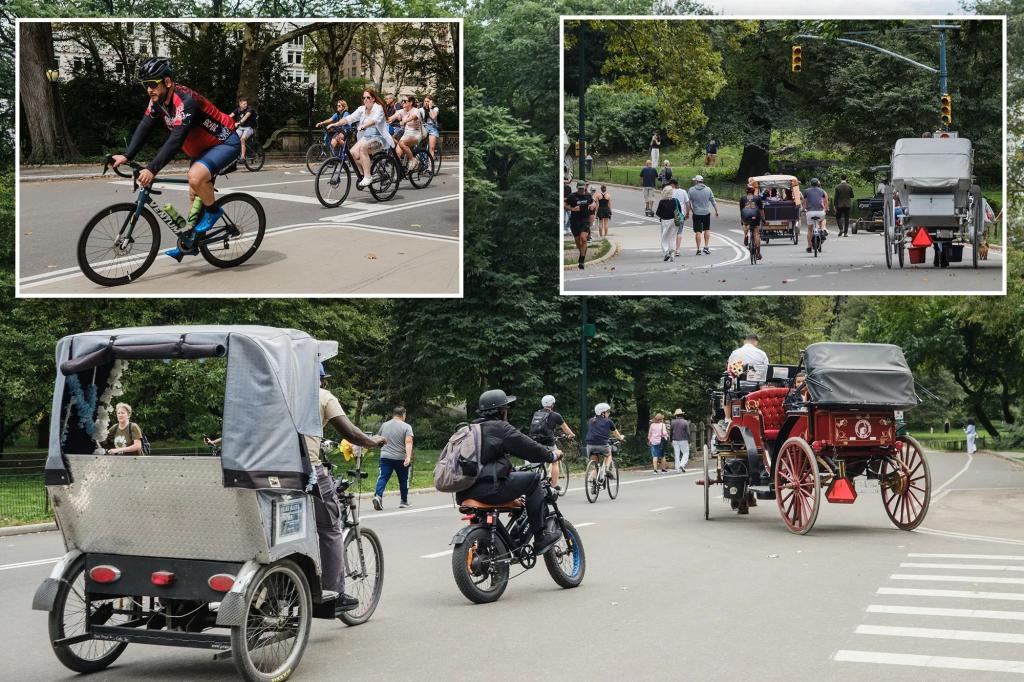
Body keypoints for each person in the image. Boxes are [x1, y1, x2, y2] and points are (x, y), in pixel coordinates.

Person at [112, 57, 241, 262]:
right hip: (203, 150)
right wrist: (127, 155)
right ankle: (192, 243)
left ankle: (214, 212)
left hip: (225, 143)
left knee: (195, 178)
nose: (149, 89)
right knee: (194, 195)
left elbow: (176, 139)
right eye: (145, 85)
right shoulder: (158, 101)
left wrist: (152, 169)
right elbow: (145, 125)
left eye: (152, 84)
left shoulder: (186, 101)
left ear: (167, 81)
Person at [308, 363, 387, 616]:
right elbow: (350, 432)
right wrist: (372, 442)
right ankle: (333, 593)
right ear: (321, 380)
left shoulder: (278, 393)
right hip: (306, 471)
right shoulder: (323, 396)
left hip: (268, 471)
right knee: (330, 529)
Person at [455, 389, 564, 555]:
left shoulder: (469, 430)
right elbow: (528, 448)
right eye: (506, 408)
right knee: (534, 479)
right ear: (501, 411)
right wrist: (551, 455)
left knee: (515, 487)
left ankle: (499, 543)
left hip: (464, 491)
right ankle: (540, 538)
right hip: (490, 489)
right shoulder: (500, 428)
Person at [339, 88, 394, 188]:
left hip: (379, 138)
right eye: (364, 97)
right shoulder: (361, 109)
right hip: (366, 137)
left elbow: (374, 120)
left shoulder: (378, 108)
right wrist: (334, 124)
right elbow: (350, 118)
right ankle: (363, 174)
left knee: (363, 148)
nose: (365, 99)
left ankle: (368, 176)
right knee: (352, 153)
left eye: (368, 97)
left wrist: (363, 126)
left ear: (373, 98)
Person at [527, 395, 576, 490]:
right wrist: (571, 434)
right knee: (555, 461)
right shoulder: (556, 415)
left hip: (534, 441)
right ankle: (554, 484)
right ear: (552, 404)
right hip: (548, 443)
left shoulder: (536, 413)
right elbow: (565, 428)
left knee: (539, 458)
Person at [372, 406, 414, 510]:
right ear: (403, 414)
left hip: (385, 457)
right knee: (403, 480)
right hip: (401, 458)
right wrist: (408, 457)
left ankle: (378, 496)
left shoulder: (384, 425)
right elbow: (408, 442)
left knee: (383, 477)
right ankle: (403, 501)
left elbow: (378, 438)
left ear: (394, 414)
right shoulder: (407, 427)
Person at [725, 334, 770, 420]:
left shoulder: (735, 353)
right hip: (756, 388)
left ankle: (727, 419)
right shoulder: (762, 354)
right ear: (756, 342)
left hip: (738, 388)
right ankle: (761, 417)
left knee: (726, 392)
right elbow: (766, 372)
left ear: (745, 341)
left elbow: (729, 371)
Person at [586, 403, 623, 484]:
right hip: (602, 445)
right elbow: (616, 434)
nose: (609, 413)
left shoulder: (591, 421)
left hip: (590, 446)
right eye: (608, 412)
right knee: (609, 454)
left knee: (595, 465)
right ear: (602, 413)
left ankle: (594, 482)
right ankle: (606, 469)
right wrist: (621, 438)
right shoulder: (608, 421)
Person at [387, 95, 424, 170]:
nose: (402, 103)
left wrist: (405, 121)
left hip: (416, 133)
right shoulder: (401, 111)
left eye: (405, 101)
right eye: (402, 101)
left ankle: (413, 160)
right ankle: (400, 172)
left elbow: (413, 117)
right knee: (397, 154)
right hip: (406, 134)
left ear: (411, 102)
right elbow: (391, 118)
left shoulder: (416, 110)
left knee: (402, 143)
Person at [686, 174, 718, 256]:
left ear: (697, 181)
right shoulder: (708, 189)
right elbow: (713, 201)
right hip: (706, 213)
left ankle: (698, 249)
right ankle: (706, 247)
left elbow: (688, 202)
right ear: (702, 181)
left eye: (694, 181)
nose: (694, 182)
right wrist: (716, 211)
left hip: (696, 213)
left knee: (698, 231)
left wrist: (690, 210)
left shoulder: (691, 190)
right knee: (707, 229)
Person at [565, 181, 594, 269]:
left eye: (583, 188)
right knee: (578, 241)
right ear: (577, 188)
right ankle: (583, 252)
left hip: (585, 220)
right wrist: (572, 209)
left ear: (585, 187)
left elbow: (593, 202)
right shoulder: (572, 196)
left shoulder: (588, 196)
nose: (581, 190)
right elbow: (565, 205)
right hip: (575, 221)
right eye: (580, 188)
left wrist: (592, 206)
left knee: (583, 238)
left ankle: (581, 260)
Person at [802, 177, 829, 253]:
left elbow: (804, 202)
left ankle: (809, 246)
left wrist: (803, 209)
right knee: (822, 220)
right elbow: (826, 201)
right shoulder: (822, 191)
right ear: (818, 184)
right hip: (820, 212)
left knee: (810, 229)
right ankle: (822, 230)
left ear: (811, 184)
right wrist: (826, 208)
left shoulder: (806, 191)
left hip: (810, 212)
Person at [739, 184, 765, 260]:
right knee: (756, 233)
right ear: (753, 192)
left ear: (746, 192)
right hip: (755, 216)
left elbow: (741, 210)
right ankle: (758, 253)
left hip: (746, 215)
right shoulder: (757, 198)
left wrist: (742, 220)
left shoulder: (743, 198)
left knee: (745, 224)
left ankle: (746, 235)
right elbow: (761, 210)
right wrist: (763, 219)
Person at [230, 96, 257, 163]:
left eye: (246, 104)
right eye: (244, 104)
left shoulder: (250, 109)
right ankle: (236, 153)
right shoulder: (237, 110)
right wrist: (224, 120)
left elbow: (245, 117)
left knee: (242, 139)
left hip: (249, 128)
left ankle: (243, 157)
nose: (245, 105)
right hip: (241, 128)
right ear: (240, 104)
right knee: (233, 138)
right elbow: (230, 116)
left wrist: (238, 123)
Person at [655, 185, 678, 262]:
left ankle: (666, 252)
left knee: (664, 237)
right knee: (673, 237)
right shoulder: (675, 200)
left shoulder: (662, 202)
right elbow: (679, 210)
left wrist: (663, 215)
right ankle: (672, 254)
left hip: (665, 221)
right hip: (675, 220)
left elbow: (658, 213)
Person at [669, 179, 690, 258]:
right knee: (679, 232)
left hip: (671, 215)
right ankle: (677, 250)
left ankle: (671, 249)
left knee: (671, 233)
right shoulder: (683, 192)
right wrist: (687, 213)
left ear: (673, 184)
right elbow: (687, 203)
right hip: (680, 215)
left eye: (670, 184)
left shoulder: (670, 192)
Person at [421, 95, 440, 162]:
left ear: (431, 102)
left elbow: (433, 117)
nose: (426, 103)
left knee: (431, 148)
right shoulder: (421, 109)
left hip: (432, 127)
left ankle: (430, 165)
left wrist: (430, 108)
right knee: (419, 145)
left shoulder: (435, 109)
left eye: (428, 101)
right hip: (423, 127)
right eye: (425, 101)